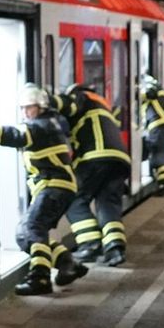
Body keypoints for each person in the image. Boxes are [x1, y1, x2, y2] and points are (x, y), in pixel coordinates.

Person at [0, 83, 89, 296]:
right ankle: (67, 263)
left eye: (29, 107)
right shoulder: (51, 122)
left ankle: (40, 277)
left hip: (53, 186)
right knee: (25, 233)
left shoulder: (39, 126)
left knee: (31, 228)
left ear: (41, 106)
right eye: (23, 108)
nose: (25, 112)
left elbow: (17, 136)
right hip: (58, 187)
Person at [51, 83, 131, 267]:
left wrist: (46, 100)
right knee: (108, 202)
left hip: (95, 157)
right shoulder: (102, 105)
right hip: (120, 159)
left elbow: (68, 105)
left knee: (74, 200)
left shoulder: (83, 98)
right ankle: (115, 248)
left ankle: (90, 244)